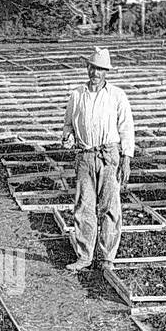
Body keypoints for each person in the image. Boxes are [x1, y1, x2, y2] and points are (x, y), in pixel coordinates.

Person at [59, 48, 135, 273]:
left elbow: (126, 128)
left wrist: (126, 158)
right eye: (92, 68)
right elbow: (68, 124)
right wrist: (68, 137)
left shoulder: (116, 95)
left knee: (110, 207)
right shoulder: (77, 95)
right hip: (84, 155)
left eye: (100, 69)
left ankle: (108, 257)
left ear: (106, 72)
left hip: (108, 155)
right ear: (87, 68)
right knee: (84, 207)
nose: (95, 73)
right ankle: (85, 256)